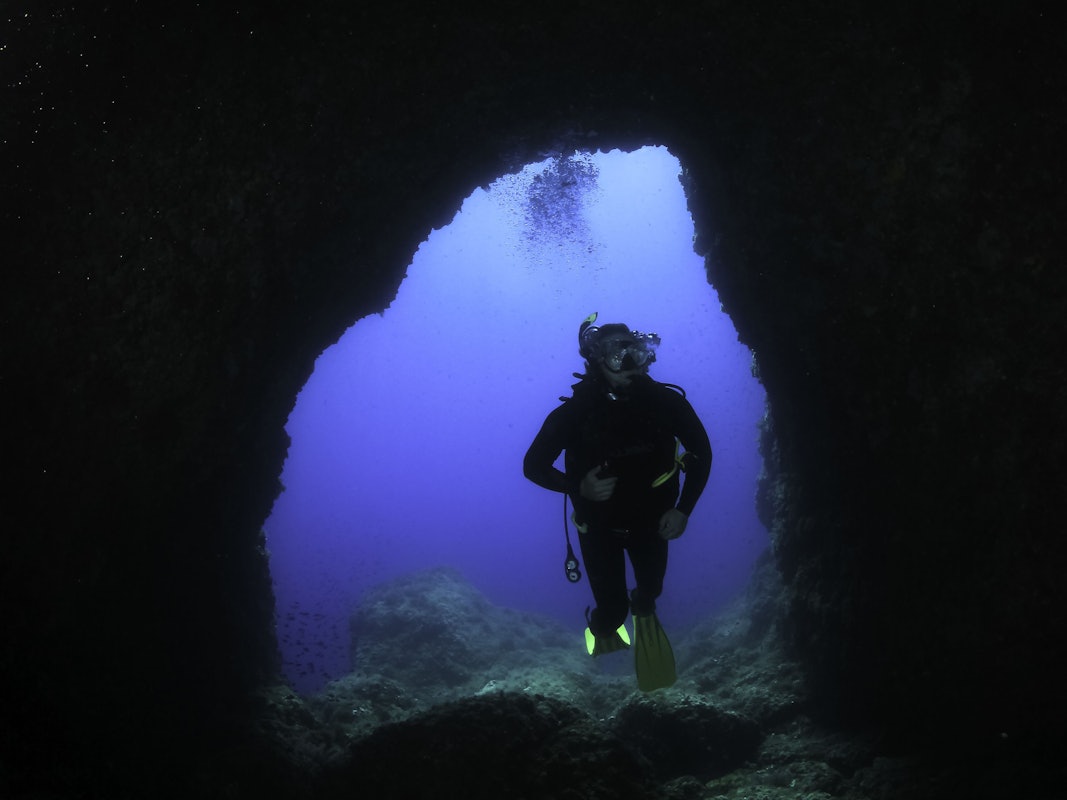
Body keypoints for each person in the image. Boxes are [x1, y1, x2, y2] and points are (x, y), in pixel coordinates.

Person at [523, 312, 712, 691]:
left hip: (654, 522)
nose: (629, 365)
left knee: (651, 591)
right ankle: (604, 625)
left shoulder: (665, 403)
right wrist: (578, 487)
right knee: (612, 612)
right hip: (599, 528)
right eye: (616, 355)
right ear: (595, 359)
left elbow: (702, 454)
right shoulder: (574, 413)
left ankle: (643, 606)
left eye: (636, 353)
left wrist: (683, 511)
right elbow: (533, 466)